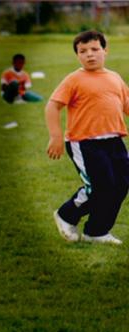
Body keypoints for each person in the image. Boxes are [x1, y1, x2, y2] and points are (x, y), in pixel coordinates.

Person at [46, 30, 129, 245]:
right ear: (77, 56)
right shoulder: (74, 79)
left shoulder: (114, 78)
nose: (89, 54)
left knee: (120, 185)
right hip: (84, 142)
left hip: (114, 141)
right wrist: (55, 136)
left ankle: (97, 231)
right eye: (83, 51)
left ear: (105, 51)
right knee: (101, 187)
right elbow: (53, 106)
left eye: (94, 49)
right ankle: (66, 214)